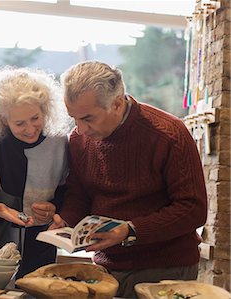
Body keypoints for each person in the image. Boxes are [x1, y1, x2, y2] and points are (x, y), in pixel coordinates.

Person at [51, 61, 208, 298]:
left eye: (88, 118)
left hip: (167, 268)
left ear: (116, 103)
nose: (80, 129)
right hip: (107, 267)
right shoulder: (79, 140)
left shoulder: (169, 134)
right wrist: (65, 221)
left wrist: (130, 230)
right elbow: (79, 195)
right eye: (74, 119)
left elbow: (193, 209)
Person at [0, 66, 71, 278]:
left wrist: (55, 208)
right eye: (19, 123)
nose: (30, 129)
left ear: (45, 109)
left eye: (35, 118)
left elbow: (69, 190)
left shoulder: (59, 140)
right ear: (3, 120)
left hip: (41, 247)